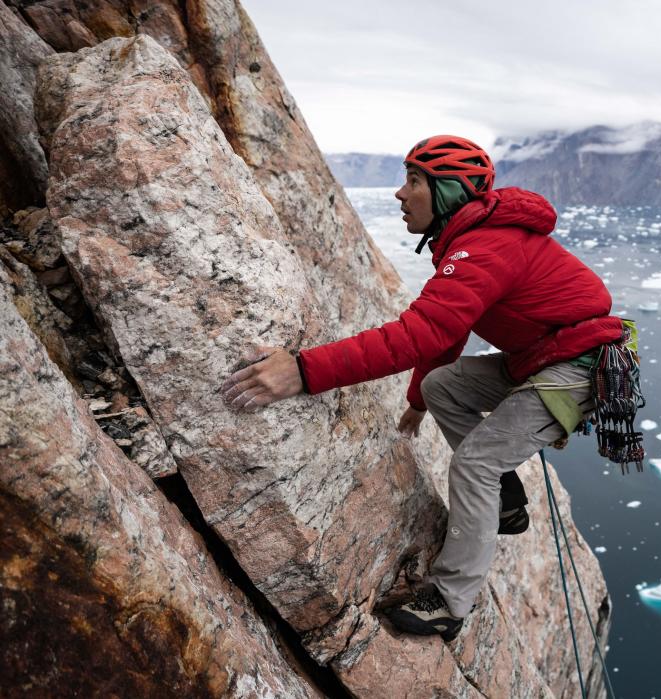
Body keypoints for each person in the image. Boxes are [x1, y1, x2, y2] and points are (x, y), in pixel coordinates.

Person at [219, 135, 628, 641]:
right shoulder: (469, 241)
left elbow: (418, 334)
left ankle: (450, 602)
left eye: (414, 181)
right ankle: (504, 502)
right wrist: (418, 400)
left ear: (449, 191)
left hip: (574, 368)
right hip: (543, 359)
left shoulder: (486, 245)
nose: (400, 193)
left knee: (477, 460)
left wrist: (302, 371)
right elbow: (447, 333)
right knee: (443, 385)